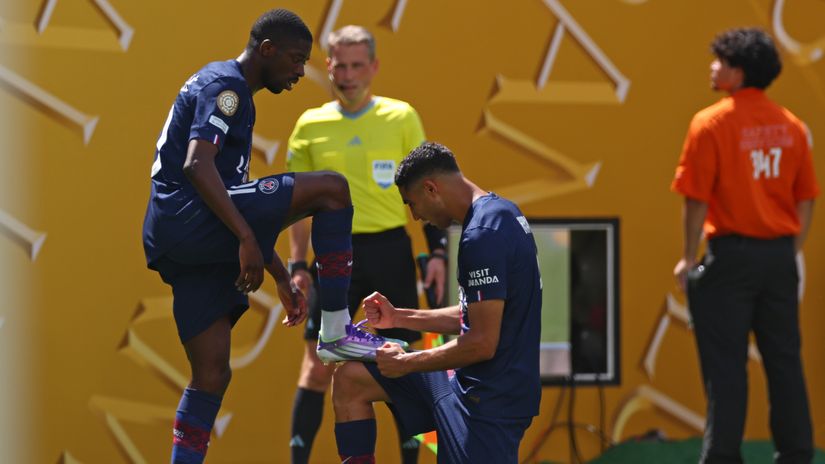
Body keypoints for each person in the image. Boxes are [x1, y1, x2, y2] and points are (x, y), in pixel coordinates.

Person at [142, 10, 394, 464]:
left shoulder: (228, 87)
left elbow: (234, 197)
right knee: (333, 190)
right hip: (191, 219)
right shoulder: (228, 89)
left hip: (178, 238)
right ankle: (335, 329)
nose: (301, 71)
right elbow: (197, 166)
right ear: (267, 50)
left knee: (212, 373)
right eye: (296, 60)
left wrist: (279, 274)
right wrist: (246, 239)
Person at [284, 25, 447, 464]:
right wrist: (297, 264)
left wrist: (436, 254)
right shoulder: (309, 125)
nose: (349, 74)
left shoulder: (401, 116)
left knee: (402, 364)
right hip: (333, 256)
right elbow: (297, 207)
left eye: (359, 65)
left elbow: (427, 187)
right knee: (318, 367)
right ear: (328, 66)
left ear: (373, 67)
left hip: (390, 251)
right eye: (341, 65)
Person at [330, 142, 542, 464]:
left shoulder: (481, 235)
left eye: (412, 204)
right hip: (466, 383)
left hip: (488, 404)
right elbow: (475, 314)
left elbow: (482, 343)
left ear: (431, 189)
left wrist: (406, 363)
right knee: (351, 379)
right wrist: (400, 317)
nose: (415, 216)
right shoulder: (501, 213)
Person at [671, 28, 817, 464]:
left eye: (720, 61)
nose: (713, 67)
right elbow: (806, 197)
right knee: (785, 362)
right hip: (778, 258)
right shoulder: (792, 126)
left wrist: (686, 256)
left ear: (738, 71)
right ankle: (796, 454)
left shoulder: (711, 122)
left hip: (730, 259)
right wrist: (790, 248)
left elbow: (695, 199)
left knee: (725, 368)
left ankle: (722, 457)